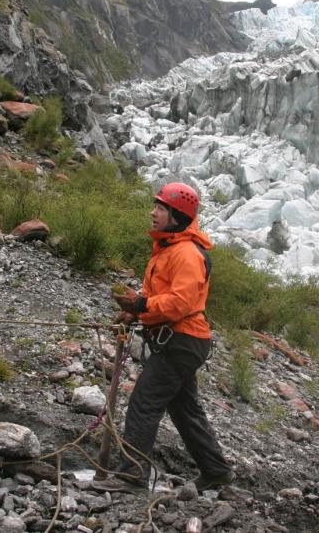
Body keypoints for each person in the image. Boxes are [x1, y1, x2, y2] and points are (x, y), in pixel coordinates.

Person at [94, 182, 234, 493]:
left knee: (144, 403)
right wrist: (136, 313)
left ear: (176, 215)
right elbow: (164, 296)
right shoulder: (171, 249)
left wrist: (142, 305)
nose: (153, 212)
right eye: (155, 206)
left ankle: (132, 475)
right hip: (183, 340)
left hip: (181, 341)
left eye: (160, 208)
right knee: (185, 410)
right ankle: (216, 471)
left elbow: (180, 303)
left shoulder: (185, 254)